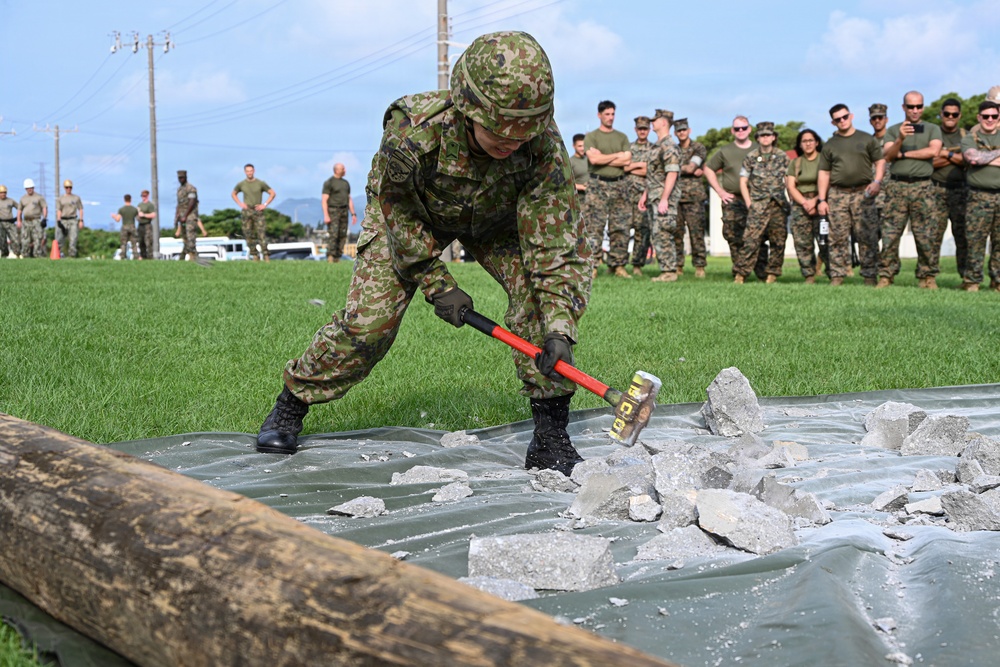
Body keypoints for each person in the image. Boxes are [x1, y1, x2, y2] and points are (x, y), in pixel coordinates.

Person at [255, 31, 592, 477]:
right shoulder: (413, 131)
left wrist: (560, 329)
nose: (512, 142)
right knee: (369, 325)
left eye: (523, 131)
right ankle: (293, 401)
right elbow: (398, 216)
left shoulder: (542, 146)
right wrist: (437, 283)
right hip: (412, 217)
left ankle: (551, 436)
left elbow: (555, 246)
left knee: (539, 309)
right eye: (498, 130)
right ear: (468, 108)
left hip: (495, 222)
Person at [878, 91, 944, 289]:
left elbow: (933, 151)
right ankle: (886, 275)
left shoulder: (932, 129)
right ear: (903, 107)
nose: (915, 110)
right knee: (890, 234)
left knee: (926, 235)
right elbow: (888, 155)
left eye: (919, 106)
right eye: (911, 106)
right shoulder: (894, 130)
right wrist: (900, 139)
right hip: (897, 187)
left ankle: (928, 276)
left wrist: (904, 154)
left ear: (923, 107)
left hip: (923, 186)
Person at [817, 104, 885, 286]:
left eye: (845, 117)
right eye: (838, 119)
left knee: (867, 235)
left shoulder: (866, 139)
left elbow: (880, 161)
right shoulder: (830, 145)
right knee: (837, 236)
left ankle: (870, 275)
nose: (842, 121)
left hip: (863, 193)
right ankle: (837, 275)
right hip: (838, 194)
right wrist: (822, 200)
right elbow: (824, 173)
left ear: (851, 116)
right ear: (833, 122)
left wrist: (877, 181)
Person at [735, 122, 790, 283]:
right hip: (758, 204)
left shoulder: (782, 156)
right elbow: (743, 181)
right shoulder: (751, 157)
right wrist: (749, 202)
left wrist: (791, 200)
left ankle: (772, 273)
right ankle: (741, 273)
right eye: (762, 135)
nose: (765, 138)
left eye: (768, 135)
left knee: (778, 240)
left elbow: (789, 179)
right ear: (757, 138)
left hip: (777, 204)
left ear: (773, 137)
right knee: (750, 240)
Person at [704, 116, 759, 276]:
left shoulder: (758, 150)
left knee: (758, 235)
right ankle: (739, 270)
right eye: (737, 128)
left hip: (756, 199)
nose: (740, 131)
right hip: (733, 200)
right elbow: (708, 169)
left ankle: (761, 271)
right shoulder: (725, 151)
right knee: (733, 235)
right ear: (732, 131)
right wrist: (720, 191)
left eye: (744, 128)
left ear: (749, 129)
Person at [583, 100, 632, 278]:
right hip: (597, 185)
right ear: (599, 115)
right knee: (594, 227)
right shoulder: (592, 137)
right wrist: (617, 155)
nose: (610, 117)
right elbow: (594, 160)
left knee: (620, 227)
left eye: (612, 114)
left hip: (619, 185)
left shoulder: (622, 137)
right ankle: (593, 266)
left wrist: (604, 157)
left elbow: (627, 160)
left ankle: (618, 266)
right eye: (607, 114)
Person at [960, 100, 1000, 292]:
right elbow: (973, 157)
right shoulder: (970, 138)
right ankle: (972, 281)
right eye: (985, 116)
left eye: (994, 116)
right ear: (979, 117)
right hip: (978, 196)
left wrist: (985, 157)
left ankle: (998, 280)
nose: (989, 119)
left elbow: (979, 158)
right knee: (975, 240)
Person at [637, 109, 681, 282]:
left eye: (654, 120)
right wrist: (645, 195)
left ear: (663, 122)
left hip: (664, 198)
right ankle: (666, 270)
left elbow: (672, 173)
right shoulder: (657, 146)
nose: (652, 123)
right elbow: (654, 174)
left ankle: (669, 271)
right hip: (654, 196)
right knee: (657, 233)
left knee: (663, 233)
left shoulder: (669, 146)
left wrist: (664, 198)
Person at [932, 98, 968, 278]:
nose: (950, 117)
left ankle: (966, 277)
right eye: (947, 114)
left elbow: (968, 161)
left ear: (959, 115)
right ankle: (929, 276)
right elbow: (930, 162)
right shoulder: (933, 134)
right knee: (933, 236)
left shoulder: (966, 136)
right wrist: (956, 156)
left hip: (961, 191)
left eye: (954, 114)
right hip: (936, 190)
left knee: (963, 236)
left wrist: (945, 153)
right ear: (941, 114)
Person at [785, 129, 824, 283]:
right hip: (800, 203)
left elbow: (830, 182)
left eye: (810, 140)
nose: (808, 144)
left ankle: (834, 274)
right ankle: (809, 275)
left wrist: (815, 201)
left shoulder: (824, 160)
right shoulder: (795, 163)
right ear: (800, 145)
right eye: (804, 141)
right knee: (802, 242)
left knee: (826, 241)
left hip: (821, 201)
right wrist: (805, 203)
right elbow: (791, 186)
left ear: (817, 142)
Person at [673, 118, 708, 278]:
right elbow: (688, 169)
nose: (682, 133)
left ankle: (700, 266)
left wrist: (673, 168)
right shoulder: (673, 149)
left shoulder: (698, 148)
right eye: (679, 130)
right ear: (675, 133)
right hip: (676, 196)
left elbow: (691, 168)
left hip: (694, 198)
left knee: (696, 233)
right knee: (676, 234)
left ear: (689, 131)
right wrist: (686, 169)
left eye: (684, 130)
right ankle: (678, 265)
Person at [625, 116, 653, 276]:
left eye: (645, 129)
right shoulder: (628, 148)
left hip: (645, 195)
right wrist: (641, 165)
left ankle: (637, 264)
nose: (642, 131)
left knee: (642, 230)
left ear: (649, 130)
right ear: (635, 129)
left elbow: (652, 170)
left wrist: (632, 166)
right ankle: (618, 264)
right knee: (622, 229)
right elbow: (623, 167)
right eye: (640, 128)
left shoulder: (654, 149)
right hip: (626, 194)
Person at [233, 163, 276, 261]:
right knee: (248, 234)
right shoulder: (241, 184)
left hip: (258, 210)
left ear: (254, 171)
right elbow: (233, 193)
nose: (249, 173)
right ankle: (255, 255)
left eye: (251, 171)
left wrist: (264, 204)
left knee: (261, 234)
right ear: (245, 172)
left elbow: (272, 193)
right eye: (247, 171)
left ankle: (266, 255)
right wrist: (240, 203)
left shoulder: (260, 183)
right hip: (247, 210)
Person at [320, 163, 357, 263]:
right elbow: (324, 200)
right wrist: (326, 215)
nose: (345, 170)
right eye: (343, 169)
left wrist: (353, 213)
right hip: (333, 211)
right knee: (334, 234)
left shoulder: (345, 183)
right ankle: (331, 256)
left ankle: (338, 257)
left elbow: (349, 199)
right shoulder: (329, 183)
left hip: (344, 210)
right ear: (336, 170)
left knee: (342, 234)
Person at [174, 170, 205, 261]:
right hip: (182, 217)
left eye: (182, 177)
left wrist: (185, 215)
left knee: (191, 237)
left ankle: (193, 257)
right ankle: (183, 258)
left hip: (190, 216)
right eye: (179, 178)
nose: (181, 179)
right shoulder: (179, 190)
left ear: (186, 177)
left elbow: (192, 202)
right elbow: (179, 204)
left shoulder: (191, 188)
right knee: (185, 239)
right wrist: (177, 216)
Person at [17, 178, 47, 258]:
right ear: (25, 189)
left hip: (36, 220)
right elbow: (19, 210)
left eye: (31, 188)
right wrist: (19, 221)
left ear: (33, 188)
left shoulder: (39, 197)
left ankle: (37, 255)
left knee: (37, 238)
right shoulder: (23, 198)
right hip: (26, 221)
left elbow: (44, 207)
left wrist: (44, 218)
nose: (29, 189)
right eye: (28, 188)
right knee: (25, 239)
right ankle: (25, 255)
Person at [55, 179, 84, 258]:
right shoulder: (60, 199)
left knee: (73, 238)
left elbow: (80, 209)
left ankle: (72, 255)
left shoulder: (76, 198)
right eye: (67, 187)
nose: (68, 189)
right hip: (63, 220)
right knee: (60, 238)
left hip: (73, 220)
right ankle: (58, 254)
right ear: (64, 188)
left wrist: (81, 220)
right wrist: (58, 220)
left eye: (70, 187)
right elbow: (59, 210)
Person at [111, 194, 140, 259]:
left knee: (123, 243)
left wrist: (114, 216)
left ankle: (123, 256)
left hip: (125, 227)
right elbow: (138, 218)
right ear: (131, 199)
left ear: (124, 200)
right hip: (132, 226)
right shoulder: (134, 209)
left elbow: (118, 219)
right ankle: (136, 256)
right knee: (134, 243)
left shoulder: (121, 209)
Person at [0, 185, 21, 259]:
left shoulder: (10, 201)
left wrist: (17, 218)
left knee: (15, 238)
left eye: (4, 192)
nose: (3, 194)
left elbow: (19, 207)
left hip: (10, 223)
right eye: (1, 193)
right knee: (2, 241)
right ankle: (4, 255)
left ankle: (17, 254)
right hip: (1, 223)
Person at [136, 190, 157, 260]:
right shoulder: (139, 205)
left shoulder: (150, 205)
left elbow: (153, 215)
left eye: (144, 196)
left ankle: (150, 257)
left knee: (148, 241)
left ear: (147, 196)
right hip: (140, 225)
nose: (143, 197)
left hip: (147, 225)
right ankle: (143, 256)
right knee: (141, 241)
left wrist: (144, 215)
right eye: (142, 196)